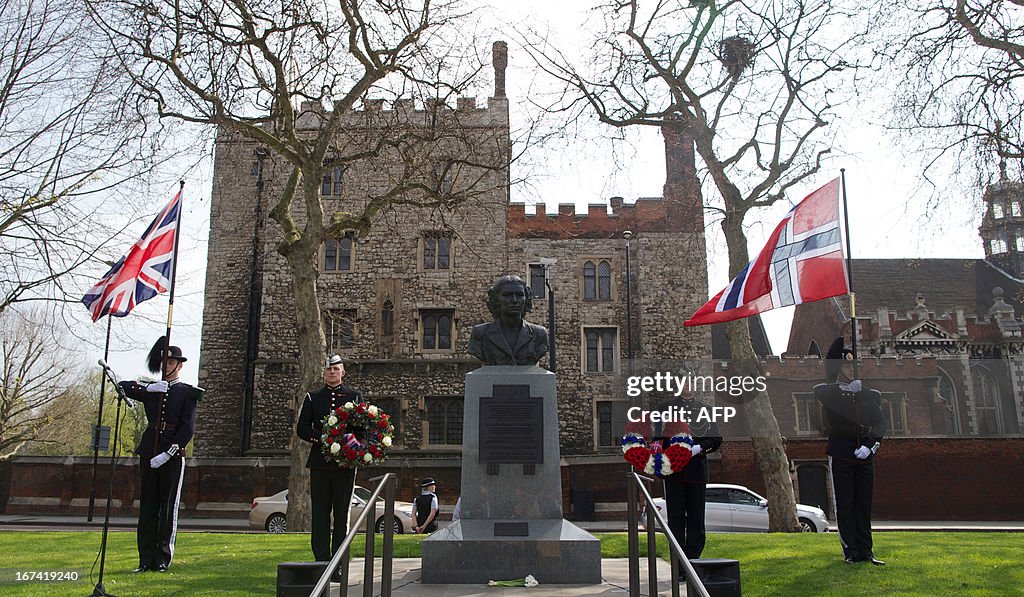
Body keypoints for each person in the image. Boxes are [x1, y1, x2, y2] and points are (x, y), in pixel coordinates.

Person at [119, 337, 201, 573]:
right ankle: (145, 559)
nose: (166, 365)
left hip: (172, 455)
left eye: (171, 361)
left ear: (179, 365)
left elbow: (188, 427)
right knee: (147, 507)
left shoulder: (188, 393)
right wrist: (148, 388)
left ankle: (162, 559)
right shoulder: (152, 389)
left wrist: (169, 452)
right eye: (164, 361)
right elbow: (122, 385)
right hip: (149, 450)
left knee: (167, 509)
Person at [815, 337, 887, 565]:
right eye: (846, 366)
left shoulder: (868, 394)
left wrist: (870, 446)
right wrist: (847, 390)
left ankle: (867, 550)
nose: (850, 369)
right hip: (841, 452)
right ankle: (851, 551)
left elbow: (879, 423)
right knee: (845, 503)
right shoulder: (831, 392)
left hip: (863, 453)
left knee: (863, 503)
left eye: (853, 366)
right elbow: (821, 392)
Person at [296, 355, 361, 562]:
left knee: (342, 515)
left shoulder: (354, 396)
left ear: (342, 372)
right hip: (320, 464)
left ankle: (339, 561)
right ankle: (321, 559)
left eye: (336, 369)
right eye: (328, 369)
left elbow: (362, 428)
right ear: (324, 373)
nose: (332, 372)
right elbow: (302, 429)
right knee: (320, 514)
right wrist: (323, 437)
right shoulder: (312, 398)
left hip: (345, 465)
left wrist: (350, 445)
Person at [661, 391, 722, 565]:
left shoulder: (705, 410)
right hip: (674, 473)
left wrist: (699, 448)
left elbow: (716, 438)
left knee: (696, 521)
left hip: (696, 472)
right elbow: (658, 436)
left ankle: (693, 562)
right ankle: (678, 564)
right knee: (676, 521)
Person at [467, 275, 548, 366]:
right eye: (507, 295)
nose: (514, 300)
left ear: (526, 299)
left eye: (519, 295)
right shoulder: (480, 333)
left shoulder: (539, 334)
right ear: (496, 299)